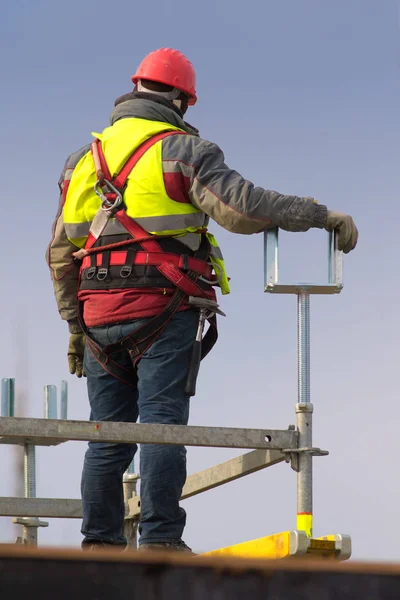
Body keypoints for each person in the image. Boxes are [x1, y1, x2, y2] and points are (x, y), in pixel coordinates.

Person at [46, 47, 358, 554]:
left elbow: (60, 253)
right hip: (162, 307)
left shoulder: (82, 161)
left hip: (97, 315)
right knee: (161, 423)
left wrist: (75, 327)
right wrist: (318, 214)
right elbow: (243, 208)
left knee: (106, 436)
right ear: (180, 99)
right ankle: (162, 541)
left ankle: (99, 547)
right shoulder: (185, 151)